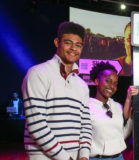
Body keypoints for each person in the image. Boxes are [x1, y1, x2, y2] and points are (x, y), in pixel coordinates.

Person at [21, 21, 92, 160]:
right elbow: (36, 124)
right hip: (43, 156)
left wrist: (84, 155)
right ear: (56, 42)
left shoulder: (82, 85)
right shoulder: (38, 73)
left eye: (78, 45)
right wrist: (65, 158)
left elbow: (86, 124)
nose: (73, 48)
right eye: (68, 43)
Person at [88, 62, 135, 160]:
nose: (112, 86)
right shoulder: (87, 106)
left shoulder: (118, 106)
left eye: (115, 84)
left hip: (119, 157)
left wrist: (131, 120)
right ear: (97, 81)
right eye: (108, 81)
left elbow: (121, 135)